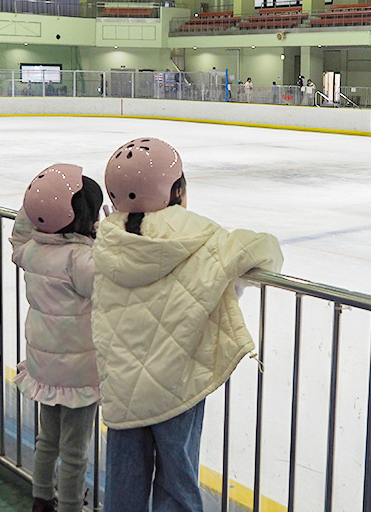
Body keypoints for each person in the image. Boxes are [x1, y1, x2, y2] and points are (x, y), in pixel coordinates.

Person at [92, 138, 283, 512]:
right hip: (177, 388)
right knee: (177, 481)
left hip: (120, 386)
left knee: (123, 482)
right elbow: (266, 250)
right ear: (176, 189)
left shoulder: (108, 239)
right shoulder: (200, 236)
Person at [10, 165, 104, 512]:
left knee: (47, 440)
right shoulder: (79, 259)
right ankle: (68, 506)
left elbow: (20, 237)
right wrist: (110, 236)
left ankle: (41, 499)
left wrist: (32, 205)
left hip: (44, 368)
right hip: (78, 374)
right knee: (75, 451)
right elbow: (109, 279)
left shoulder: (33, 252)